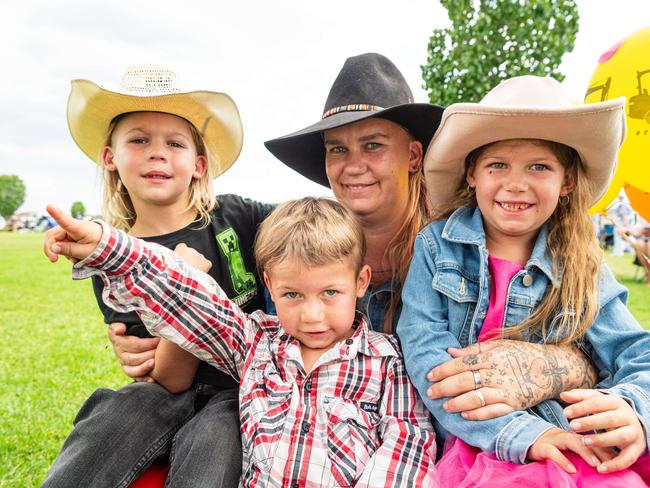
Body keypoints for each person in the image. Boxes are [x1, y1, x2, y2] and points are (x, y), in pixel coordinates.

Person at [264, 53, 598, 424]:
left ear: (413, 155)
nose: (353, 165)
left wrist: (562, 363)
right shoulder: (300, 254)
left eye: (373, 145)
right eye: (337, 149)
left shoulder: (456, 250)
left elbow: (607, 344)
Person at [44, 197, 438, 487]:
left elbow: (408, 442)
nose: (312, 315)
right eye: (292, 295)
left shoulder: (386, 361)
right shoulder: (256, 343)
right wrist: (106, 247)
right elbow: (188, 297)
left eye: (330, 293)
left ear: (361, 282)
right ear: (269, 286)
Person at [398, 75, 650, 486]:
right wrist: (523, 434)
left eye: (539, 166)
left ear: (566, 182)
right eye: (498, 164)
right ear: (472, 174)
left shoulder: (580, 263)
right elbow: (429, 359)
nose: (516, 183)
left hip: (575, 441)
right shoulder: (436, 249)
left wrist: (632, 407)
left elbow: (637, 352)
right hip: (484, 443)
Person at [42, 66, 273, 488]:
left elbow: (313, 231)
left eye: (175, 143)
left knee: (213, 453)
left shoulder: (238, 218)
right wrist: (183, 284)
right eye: (139, 139)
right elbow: (169, 378)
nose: (157, 152)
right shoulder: (112, 258)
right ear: (109, 157)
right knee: (104, 427)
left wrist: (180, 289)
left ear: (199, 164)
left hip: (237, 391)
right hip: (164, 392)